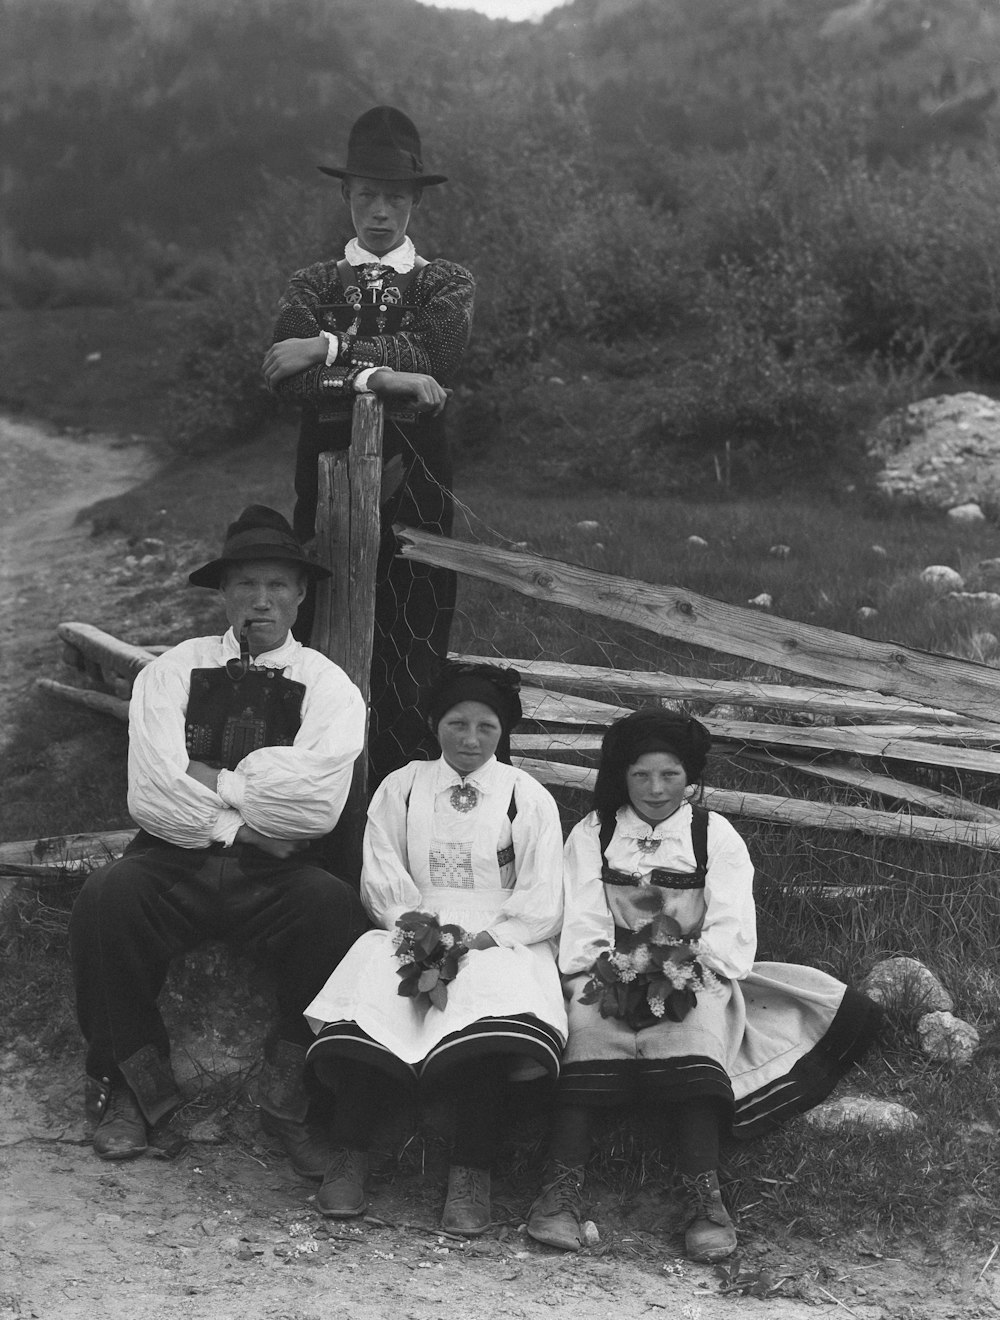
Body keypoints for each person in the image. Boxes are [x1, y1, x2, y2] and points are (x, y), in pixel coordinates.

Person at [69, 505, 370, 1178]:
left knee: (339, 917)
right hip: (174, 860)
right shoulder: (171, 672)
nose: (259, 601)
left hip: (276, 874)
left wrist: (207, 778)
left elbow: (315, 806)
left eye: (275, 587)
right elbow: (153, 791)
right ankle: (132, 1089)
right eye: (244, 587)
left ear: (298, 595)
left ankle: (290, 1096)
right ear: (224, 594)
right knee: (105, 902)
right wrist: (246, 807)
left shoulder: (328, 688)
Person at [526, 710, 881, 1262]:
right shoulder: (593, 834)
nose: (655, 789)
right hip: (609, 964)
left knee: (692, 1026)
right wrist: (614, 968)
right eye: (641, 775)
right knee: (587, 1027)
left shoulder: (712, 833)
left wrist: (680, 965)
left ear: (688, 775)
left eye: (669, 774)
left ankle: (704, 1198)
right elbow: (583, 924)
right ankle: (560, 1189)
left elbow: (730, 926)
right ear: (623, 775)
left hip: (693, 965)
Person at [301, 662, 567, 1235]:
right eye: (457, 724)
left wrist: (489, 938)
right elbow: (382, 875)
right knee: (377, 999)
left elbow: (543, 895)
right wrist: (417, 932)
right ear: (433, 724)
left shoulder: (526, 796)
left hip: (500, 934)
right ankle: (350, 1155)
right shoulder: (402, 787)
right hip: (413, 924)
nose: (470, 740)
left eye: (486, 728)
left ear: (504, 732)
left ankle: (471, 1174)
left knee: (485, 1010)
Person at [261, 105, 475, 786]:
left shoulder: (446, 282)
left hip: (418, 478)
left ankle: (405, 786)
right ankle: (321, 786)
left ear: (414, 200)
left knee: (415, 624)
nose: (378, 213)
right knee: (323, 614)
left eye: (393, 198)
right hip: (325, 476)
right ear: (345, 197)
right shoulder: (312, 284)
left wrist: (327, 347)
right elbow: (289, 386)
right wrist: (386, 376)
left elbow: (436, 353)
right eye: (365, 196)